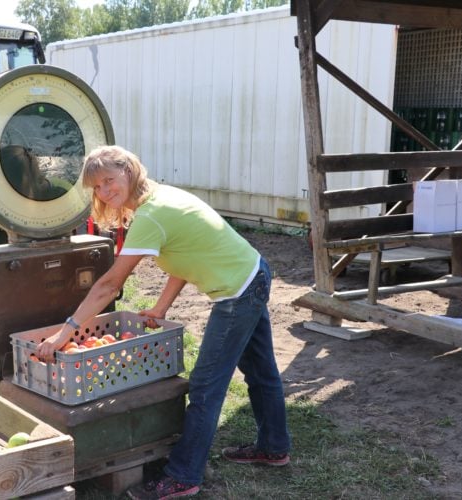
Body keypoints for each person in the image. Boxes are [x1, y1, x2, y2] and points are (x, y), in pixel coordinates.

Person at [35, 145, 290, 499]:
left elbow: (109, 284)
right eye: (97, 187)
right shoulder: (160, 196)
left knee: (205, 387)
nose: (105, 191)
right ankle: (274, 447)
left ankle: (183, 476)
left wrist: (66, 333)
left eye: (109, 180)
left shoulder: (151, 215)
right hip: (252, 273)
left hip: (237, 293)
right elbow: (184, 255)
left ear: (128, 170)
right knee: (261, 373)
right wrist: (161, 307)